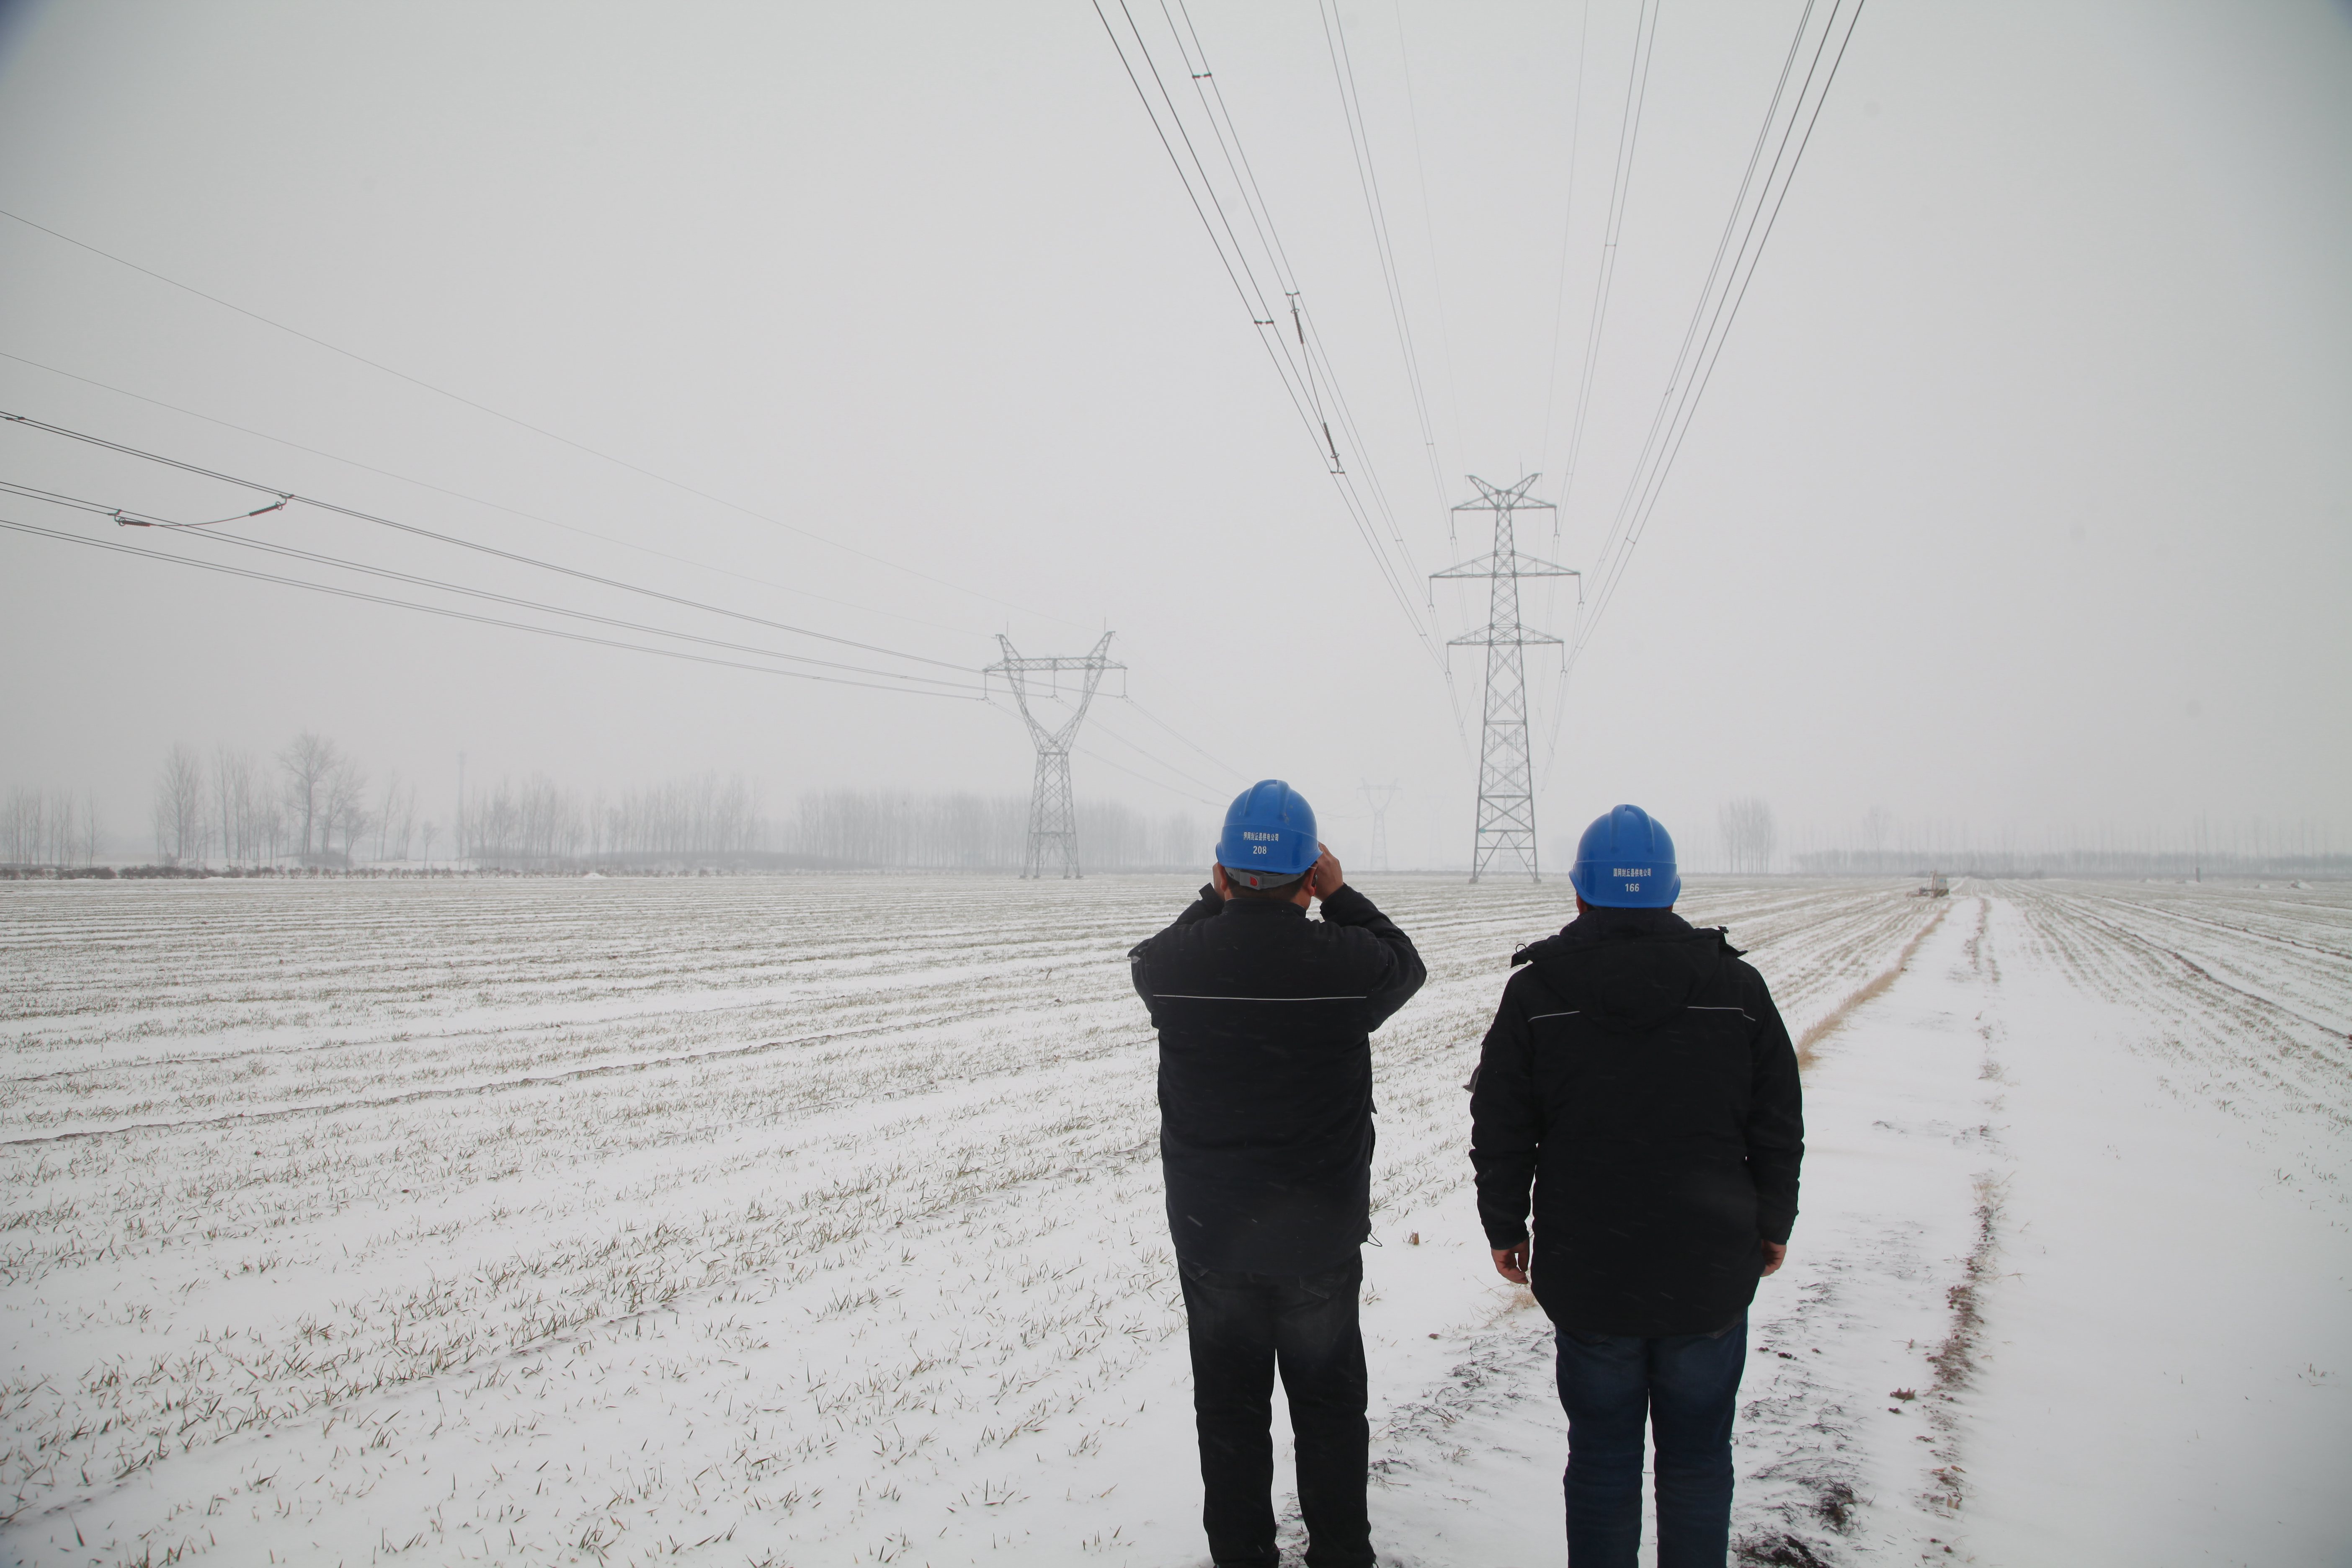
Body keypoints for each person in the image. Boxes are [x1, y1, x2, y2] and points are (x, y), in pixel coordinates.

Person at [1467, 804, 1803, 1568]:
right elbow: (1778, 1121)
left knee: (1602, 1460)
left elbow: (1504, 1125)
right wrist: (1774, 1220)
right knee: (1696, 1460)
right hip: (1708, 1273)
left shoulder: (1537, 995)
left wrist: (1504, 1225)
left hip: (1594, 1278)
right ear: (1671, 892)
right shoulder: (1738, 989)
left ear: (1579, 893)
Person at [1129, 779, 1426, 1568]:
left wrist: (1215, 898)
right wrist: (1345, 896)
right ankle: (1338, 1554)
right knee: (1329, 1409)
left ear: (1224, 873)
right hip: (1317, 1232)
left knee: (1228, 1412)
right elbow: (1409, 966)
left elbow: (1151, 958)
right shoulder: (1347, 963)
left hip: (1213, 1230)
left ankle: (1242, 1556)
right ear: (1310, 876)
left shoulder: (1175, 968)